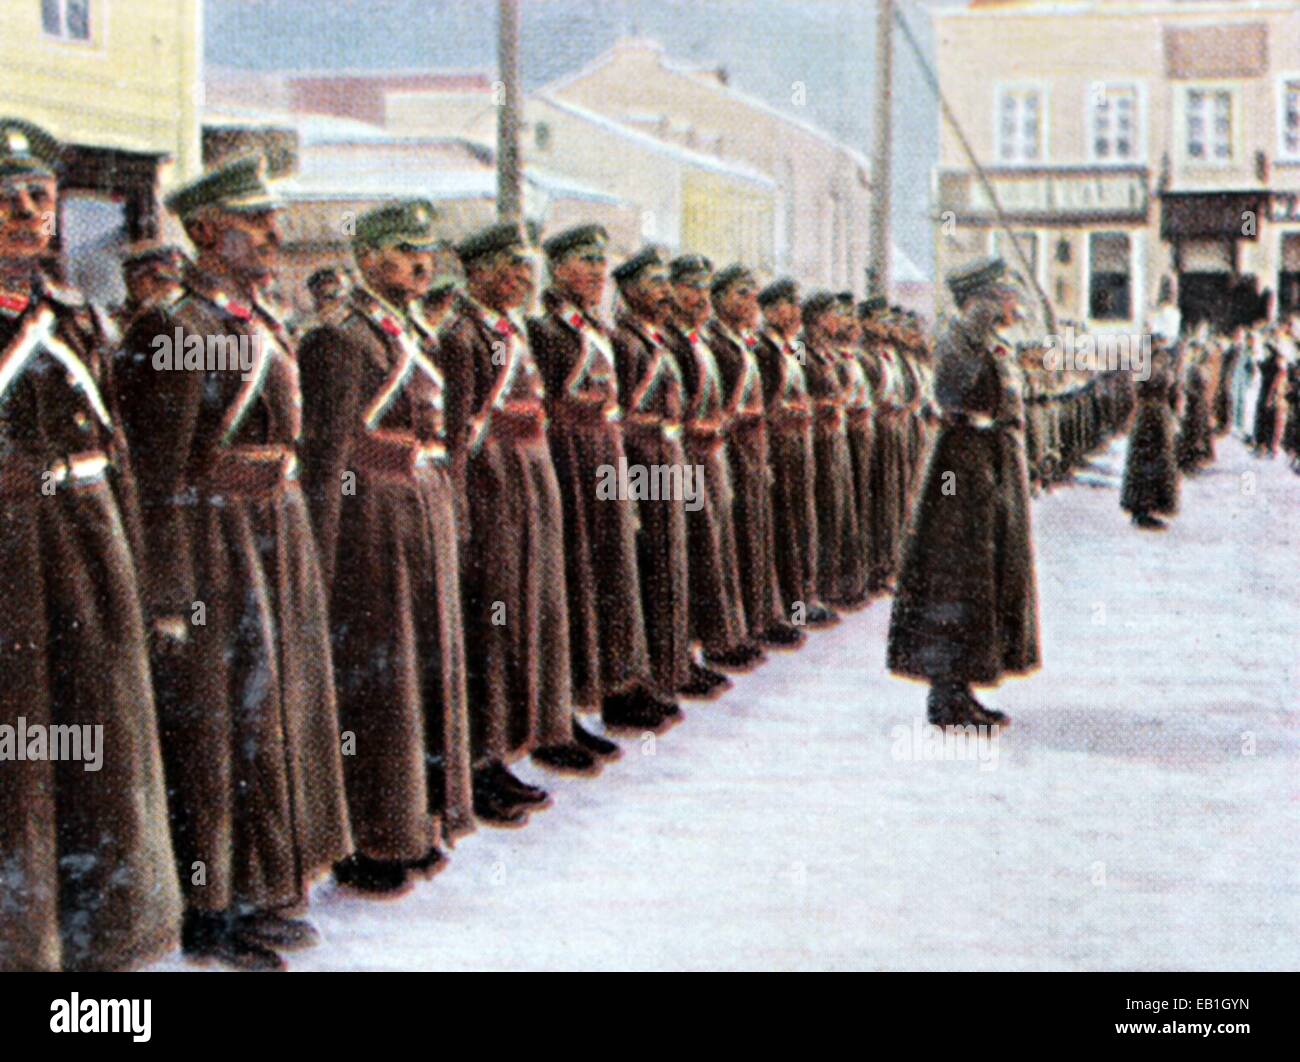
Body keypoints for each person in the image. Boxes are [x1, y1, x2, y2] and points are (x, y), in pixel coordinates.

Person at [116, 155, 352, 970]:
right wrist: (170, 593)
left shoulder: (256, 321)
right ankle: (211, 906)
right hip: (214, 542)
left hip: (270, 530)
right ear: (210, 233)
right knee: (217, 724)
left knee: (273, 712)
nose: (277, 236)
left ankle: (263, 883)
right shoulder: (174, 331)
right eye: (259, 224)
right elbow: (158, 475)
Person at [0, 118, 181, 972]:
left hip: (88, 544)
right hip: (8, 556)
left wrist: (142, 574)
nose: (25, 212)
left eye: (38, 196)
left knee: (99, 737)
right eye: (5, 199)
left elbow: (122, 459)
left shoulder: (82, 319)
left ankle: (101, 940)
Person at [297, 200, 475, 895]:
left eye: (427, 251)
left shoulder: (412, 331)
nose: (421, 263)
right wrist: (323, 555)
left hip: (418, 508)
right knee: (382, 681)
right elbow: (327, 455)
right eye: (404, 250)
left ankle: (418, 819)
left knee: (426, 669)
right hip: (368, 517)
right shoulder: (341, 339)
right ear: (367, 258)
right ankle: (375, 836)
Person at [436, 221, 599, 828]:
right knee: (492, 619)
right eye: (508, 268)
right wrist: (459, 510)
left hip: (526, 480)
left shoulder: (509, 330)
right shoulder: (462, 336)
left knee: (528, 612)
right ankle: (482, 761)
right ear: (477, 272)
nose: (522, 278)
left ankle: (508, 747)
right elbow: (457, 434)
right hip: (490, 487)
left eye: (525, 267)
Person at [528, 224, 680, 734]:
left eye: (600, 262)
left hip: (607, 457)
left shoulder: (598, 332)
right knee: (578, 576)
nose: (596, 272)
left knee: (616, 572)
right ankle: (569, 708)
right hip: (572, 464)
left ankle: (620, 685)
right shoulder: (545, 332)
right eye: (584, 261)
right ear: (557, 269)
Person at [887, 257, 1039, 726]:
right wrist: (978, 335)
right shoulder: (958, 340)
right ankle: (946, 691)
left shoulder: (993, 343)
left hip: (988, 462)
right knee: (956, 574)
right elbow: (955, 394)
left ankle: (966, 682)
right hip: (960, 469)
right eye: (1004, 296)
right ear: (980, 301)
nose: (1013, 304)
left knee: (986, 577)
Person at [663, 254, 757, 678]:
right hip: (681, 458)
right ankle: (692, 651)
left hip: (709, 454)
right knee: (691, 551)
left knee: (716, 548)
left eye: (703, 289)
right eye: (690, 288)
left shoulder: (697, 340)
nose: (698, 298)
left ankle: (716, 641)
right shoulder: (671, 342)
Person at [610, 247, 694, 710]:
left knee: (670, 558)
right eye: (654, 285)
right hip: (639, 460)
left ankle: (670, 668)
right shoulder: (623, 341)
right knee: (648, 565)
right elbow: (619, 416)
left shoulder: (652, 339)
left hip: (665, 454)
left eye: (666, 284)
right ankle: (643, 681)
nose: (665, 294)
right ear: (628, 291)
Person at [706, 264, 804, 651]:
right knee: (741, 536)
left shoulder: (744, 343)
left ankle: (766, 617)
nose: (751, 303)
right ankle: (743, 625)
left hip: (757, 449)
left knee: (760, 533)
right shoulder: (724, 344)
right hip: (732, 450)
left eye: (753, 295)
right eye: (741, 294)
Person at [755, 278, 836, 628]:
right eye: (788, 305)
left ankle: (806, 598)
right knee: (787, 529)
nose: (794, 311)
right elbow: (766, 403)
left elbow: (806, 384)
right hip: (780, 448)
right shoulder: (764, 348)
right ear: (771, 311)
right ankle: (794, 606)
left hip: (799, 445)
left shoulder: (792, 348)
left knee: (805, 525)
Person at [1120, 336, 1181, 530]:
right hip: (1150, 414)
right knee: (1147, 460)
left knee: (1155, 460)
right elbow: (1135, 392)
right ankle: (1143, 509)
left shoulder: (1159, 363)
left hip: (1155, 414)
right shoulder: (1155, 364)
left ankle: (1149, 508)